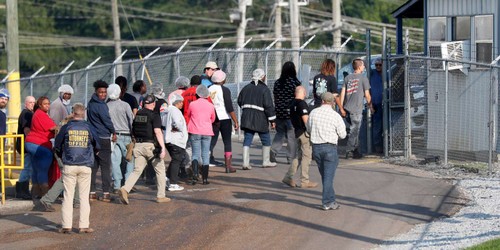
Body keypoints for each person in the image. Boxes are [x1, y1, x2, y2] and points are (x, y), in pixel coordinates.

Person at [55, 103, 99, 234]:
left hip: (69, 164)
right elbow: (97, 144)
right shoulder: (89, 127)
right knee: (84, 197)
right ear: (83, 113)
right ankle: (84, 226)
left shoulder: (66, 127)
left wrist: (61, 156)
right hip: (85, 165)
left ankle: (66, 226)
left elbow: (57, 144)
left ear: (73, 113)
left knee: (68, 196)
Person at [119, 94, 170, 204]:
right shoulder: (154, 115)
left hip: (138, 146)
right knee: (160, 170)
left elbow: (133, 130)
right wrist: (162, 148)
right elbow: (157, 131)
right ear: (153, 104)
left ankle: (125, 188)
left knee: (137, 170)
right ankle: (161, 196)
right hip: (150, 146)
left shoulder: (137, 115)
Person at [307, 92, 346, 210]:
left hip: (316, 147)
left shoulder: (313, 113)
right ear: (332, 102)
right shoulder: (335, 115)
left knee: (325, 176)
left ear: (322, 101)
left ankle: (331, 200)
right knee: (328, 176)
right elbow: (343, 135)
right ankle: (327, 202)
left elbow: (308, 129)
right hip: (330, 147)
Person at [237, 69, 277, 169]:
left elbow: (239, 101)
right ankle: (266, 161)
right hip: (261, 119)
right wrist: (272, 120)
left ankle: (245, 163)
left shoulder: (246, 88)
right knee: (266, 139)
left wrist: (246, 108)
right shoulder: (265, 89)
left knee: (247, 139)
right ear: (262, 77)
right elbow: (268, 106)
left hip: (247, 118)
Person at [282, 86, 318, 188]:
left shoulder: (292, 103)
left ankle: (288, 177)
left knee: (298, 157)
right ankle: (305, 181)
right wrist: (312, 132)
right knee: (307, 156)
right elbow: (306, 120)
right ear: (304, 92)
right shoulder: (302, 104)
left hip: (296, 132)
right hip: (304, 133)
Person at [87, 80, 116, 202]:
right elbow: (107, 120)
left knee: (93, 167)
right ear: (96, 92)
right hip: (103, 138)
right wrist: (113, 131)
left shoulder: (90, 103)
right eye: (101, 92)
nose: (103, 94)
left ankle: (92, 192)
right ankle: (106, 193)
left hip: (92, 138)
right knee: (105, 167)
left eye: (105, 92)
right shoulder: (102, 105)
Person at [339, 58, 374, 159]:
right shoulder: (363, 79)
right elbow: (367, 95)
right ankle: (349, 151)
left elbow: (342, 93)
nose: (364, 67)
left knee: (355, 130)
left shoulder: (348, 78)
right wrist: (371, 107)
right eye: (363, 65)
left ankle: (355, 151)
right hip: (356, 109)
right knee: (354, 131)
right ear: (359, 67)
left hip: (347, 108)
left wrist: (341, 107)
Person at [25, 96, 57, 198]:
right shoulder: (41, 114)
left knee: (36, 168)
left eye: (48, 103)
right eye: (45, 104)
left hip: (31, 143)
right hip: (38, 143)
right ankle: (45, 194)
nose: (47, 105)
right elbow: (53, 128)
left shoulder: (37, 113)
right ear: (40, 105)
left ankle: (35, 193)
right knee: (43, 167)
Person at [208, 70, 239, 173]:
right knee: (227, 141)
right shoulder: (225, 90)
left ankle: (204, 163)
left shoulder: (208, 89)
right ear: (222, 79)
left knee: (211, 141)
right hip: (224, 118)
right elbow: (229, 107)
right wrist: (235, 121)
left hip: (212, 118)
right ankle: (228, 166)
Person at [270, 61, 300, 164]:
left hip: (279, 112)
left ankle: (273, 151)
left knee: (280, 133)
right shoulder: (295, 83)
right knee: (291, 136)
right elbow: (298, 98)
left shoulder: (278, 82)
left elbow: (275, 97)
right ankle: (290, 158)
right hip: (291, 113)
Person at [107, 84, 134, 193]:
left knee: (115, 161)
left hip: (113, 137)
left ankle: (117, 185)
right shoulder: (125, 105)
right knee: (130, 160)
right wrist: (133, 134)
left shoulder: (106, 106)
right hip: (126, 135)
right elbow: (131, 120)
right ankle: (127, 184)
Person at [187, 85, 215, 185]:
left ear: (197, 94)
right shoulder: (211, 105)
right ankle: (205, 179)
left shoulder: (192, 104)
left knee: (195, 154)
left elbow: (189, 115)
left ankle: (195, 176)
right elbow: (213, 119)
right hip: (207, 132)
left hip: (195, 131)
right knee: (205, 155)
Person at [163, 93, 187, 191]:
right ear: (177, 102)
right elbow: (178, 123)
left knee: (175, 160)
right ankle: (173, 183)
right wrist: (179, 128)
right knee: (177, 160)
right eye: (181, 102)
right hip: (176, 139)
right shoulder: (175, 111)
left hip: (168, 138)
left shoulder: (167, 110)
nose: (182, 104)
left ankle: (167, 178)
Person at [15, 96, 35, 200]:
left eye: (33, 102)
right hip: (26, 145)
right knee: (27, 167)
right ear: (25, 103)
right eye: (30, 102)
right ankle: (22, 191)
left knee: (28, 167)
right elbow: (26, 130)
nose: (32, 104)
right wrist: (32, 141)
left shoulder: (29, 113)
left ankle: (23, 191)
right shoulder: (26, 114)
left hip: (26, 145)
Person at [370, 58, 384, 154]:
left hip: (385, 103)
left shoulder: (386, 74)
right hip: (376, 104)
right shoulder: (372, 73)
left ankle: (386, 144)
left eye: (380, 65)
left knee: (385, 126)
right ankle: (377, 146)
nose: (378, 67)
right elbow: (366, 66)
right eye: (376, 65)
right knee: (377, 126)